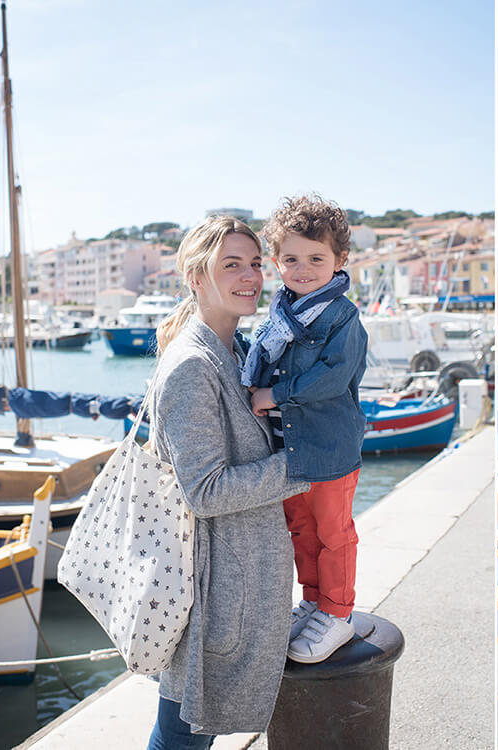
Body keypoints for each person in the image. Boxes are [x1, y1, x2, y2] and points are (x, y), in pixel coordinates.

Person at [146, 215, 310, 748]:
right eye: (231, 265)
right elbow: (207, 490)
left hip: (235, 584)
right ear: (196, 277)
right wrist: (302, 466)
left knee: (186, 731)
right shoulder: (192, 366)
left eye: (256, 264)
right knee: (183, 734)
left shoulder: (238, 351)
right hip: (213, 594)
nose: (250, 276)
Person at [242, 194, 368, 664]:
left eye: (316, 258)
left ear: (339, 261)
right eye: (291, 259)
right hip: (289, 449)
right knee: (301, 529)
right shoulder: (281, 315)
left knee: (334, 532)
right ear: (276, 263)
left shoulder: (342, 316)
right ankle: (314, 601)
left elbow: (334, 376)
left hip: (330, 446)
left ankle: (338, 612)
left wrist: (273, 395)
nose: (303, 268)